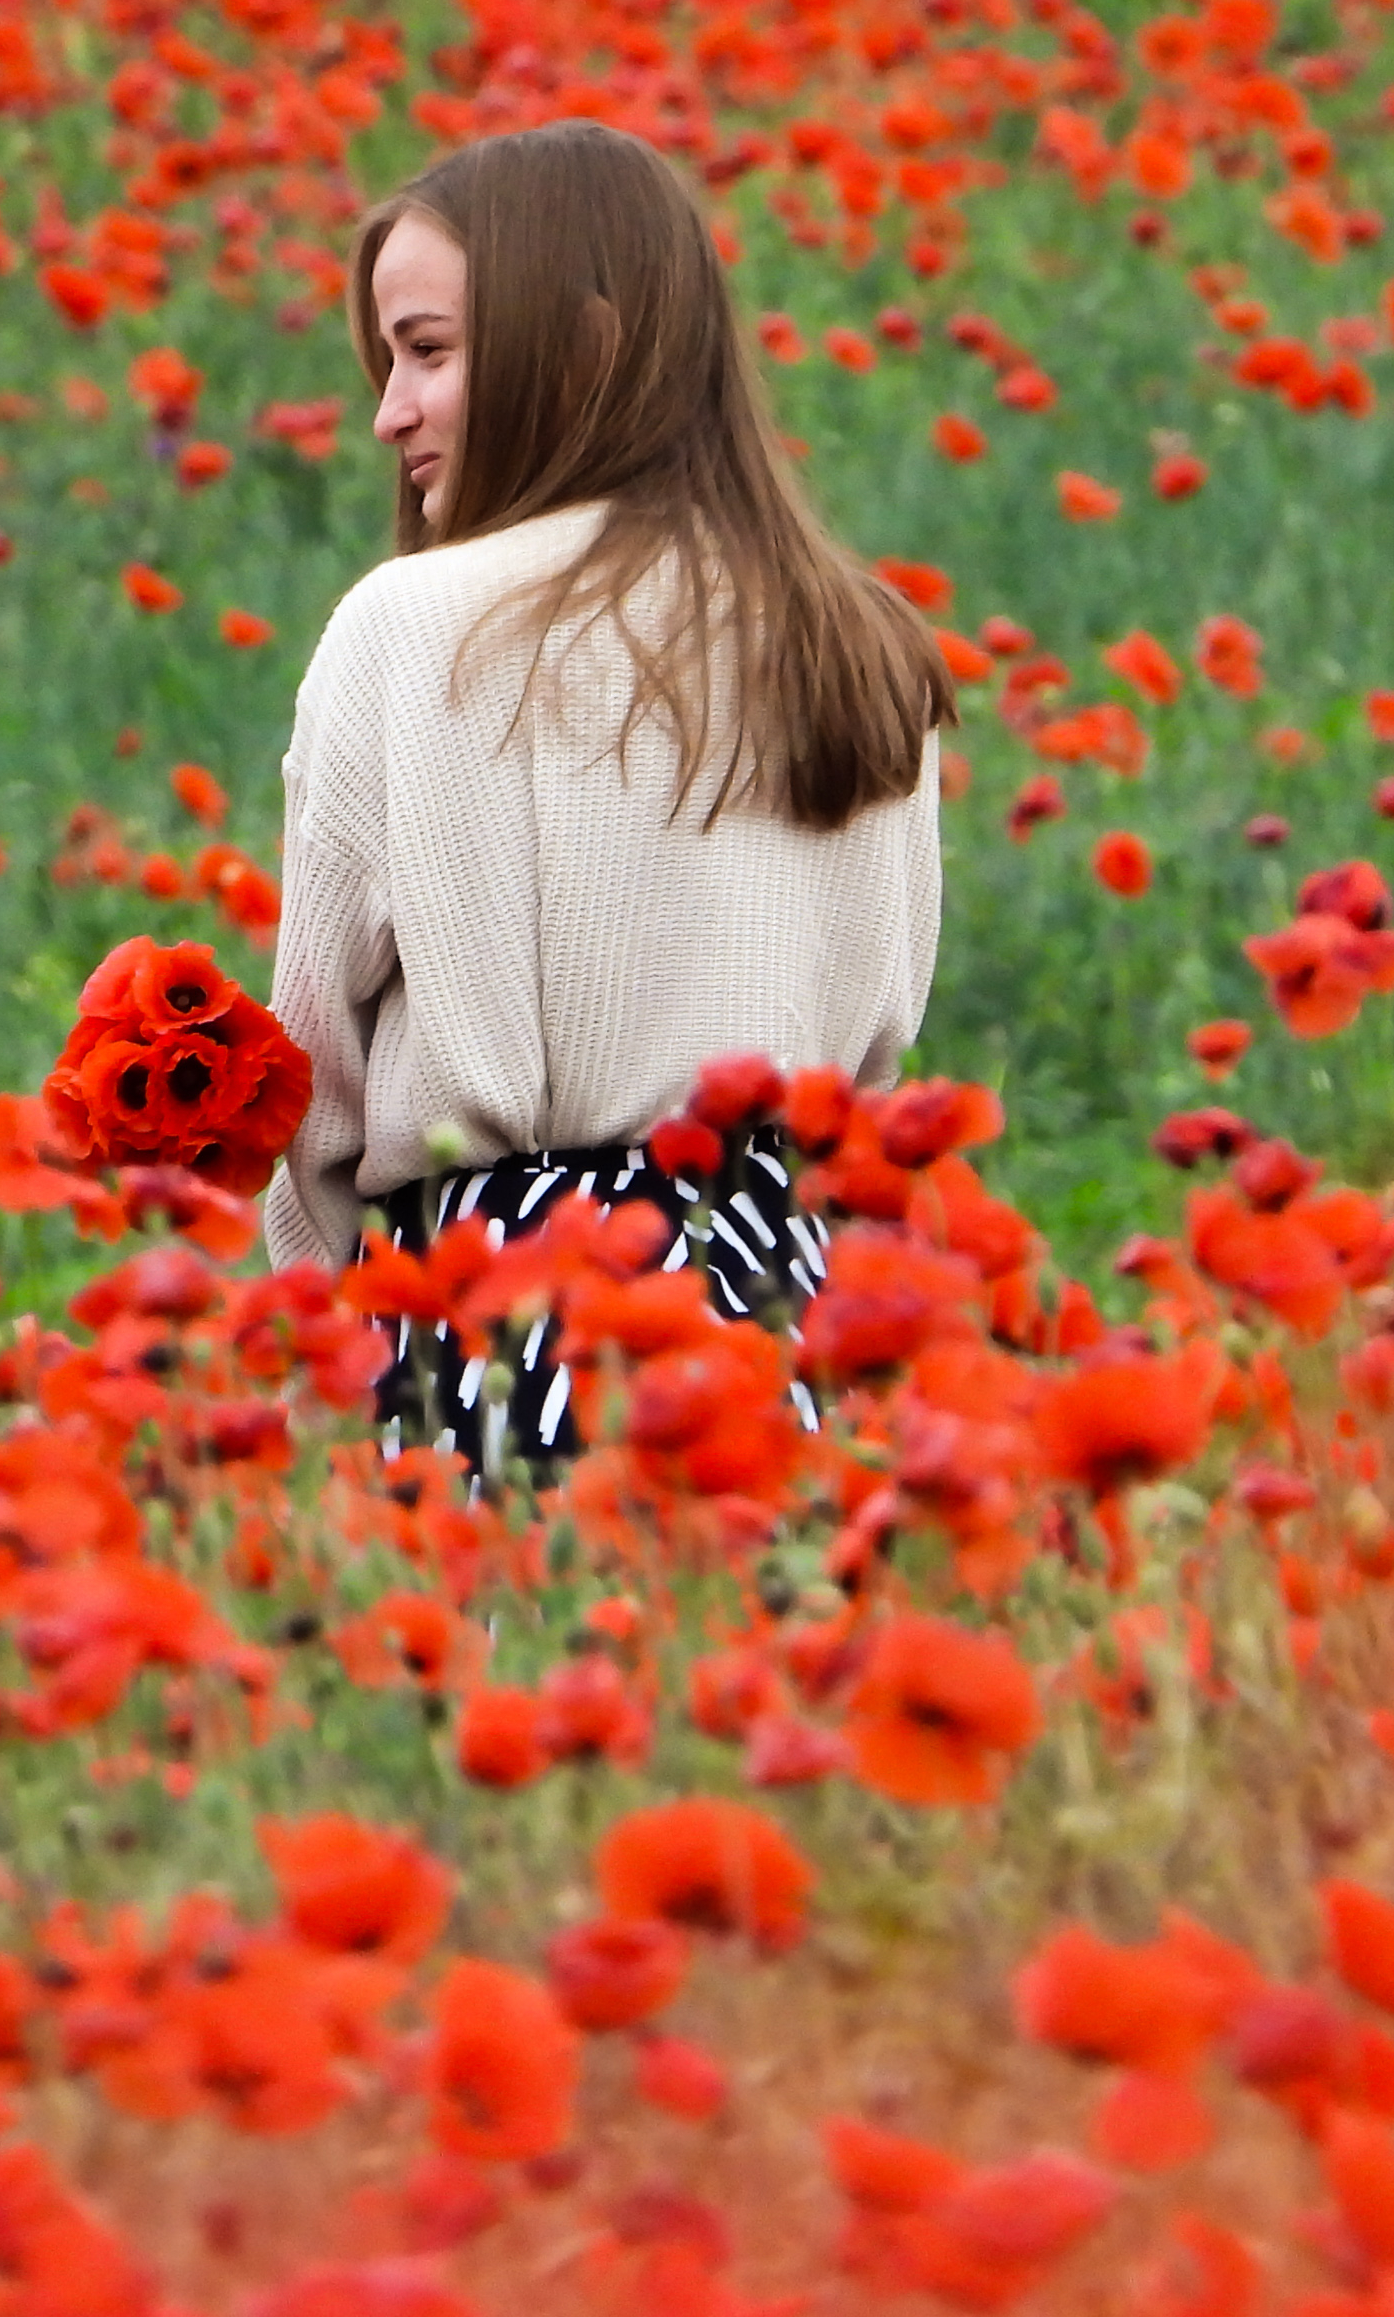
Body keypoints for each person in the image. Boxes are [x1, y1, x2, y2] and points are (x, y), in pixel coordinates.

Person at [258, 119, 950, 1477]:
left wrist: (321, 1357)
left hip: (513, 1331)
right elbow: (884, 1046)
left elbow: (314, 1095)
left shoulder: (414, 626)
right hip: (797, 1315)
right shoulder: (862, 643)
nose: (389, 411)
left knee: (547, 1678)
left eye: (429, 352)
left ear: (579, 346)